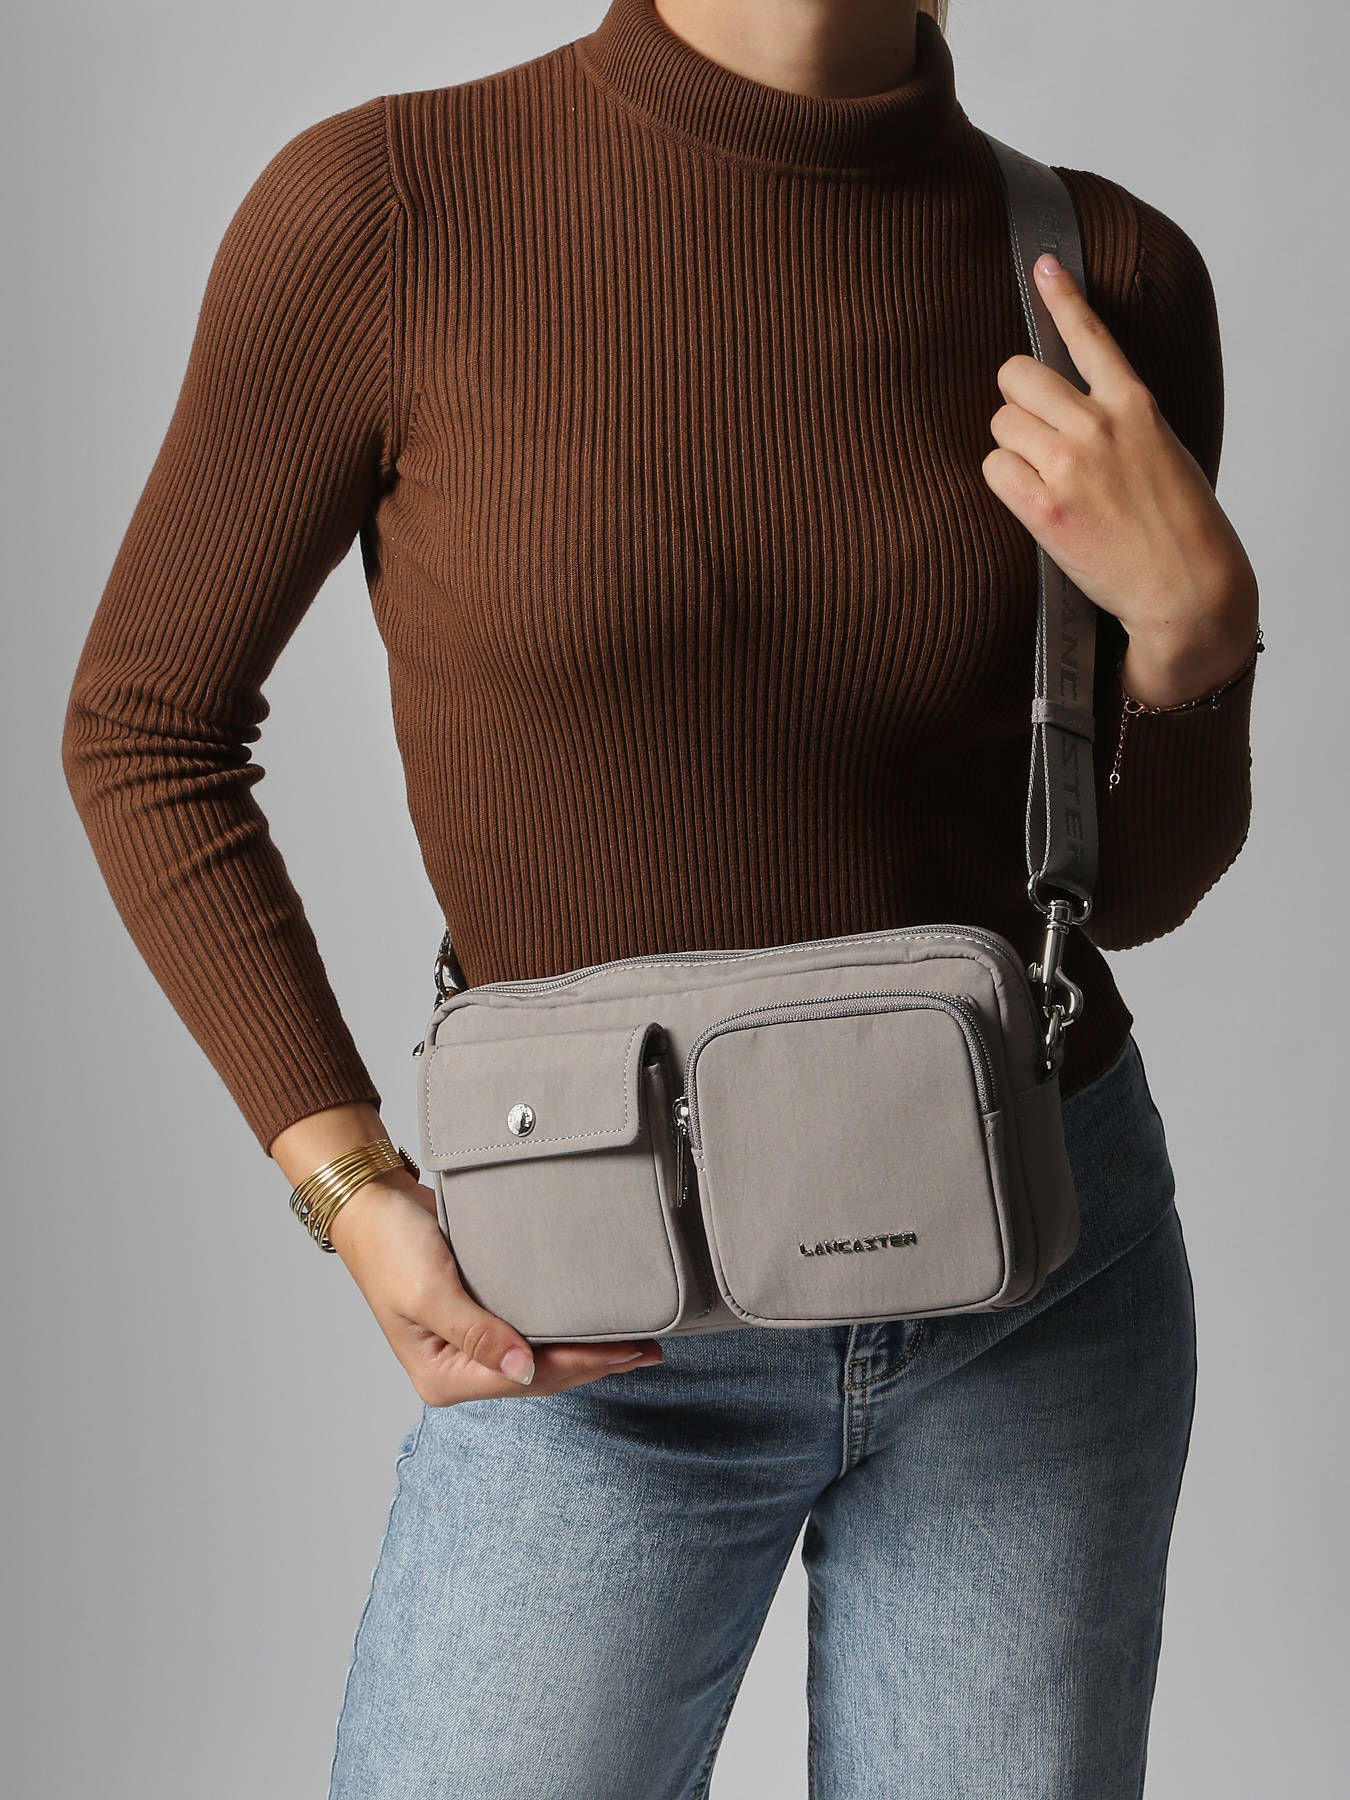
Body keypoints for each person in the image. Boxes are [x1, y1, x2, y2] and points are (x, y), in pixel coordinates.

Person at [61, 2, 1261, 1794]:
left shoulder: (1100, 269)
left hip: (1037, 1281)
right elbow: (145, 728)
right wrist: (348, 1184)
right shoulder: (388, 207)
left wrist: (1195, 640)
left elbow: (1124, 895)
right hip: (589, 1311)